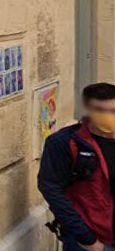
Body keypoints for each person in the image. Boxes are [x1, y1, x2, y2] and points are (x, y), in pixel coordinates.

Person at [39, 82, 115, 250]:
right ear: (87, 108)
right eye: (101, 110)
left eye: (113, 110)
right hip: (92, 242)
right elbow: (50, 188)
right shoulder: (63, 143)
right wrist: (86, 238)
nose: (108, 115)